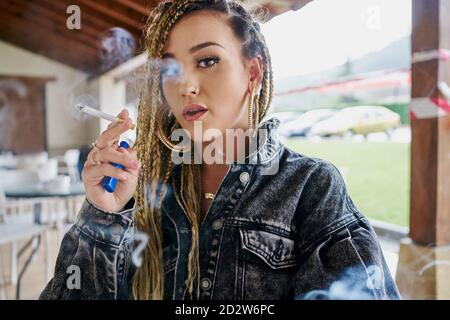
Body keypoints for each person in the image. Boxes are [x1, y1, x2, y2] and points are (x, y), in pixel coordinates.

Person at [40, 0, 400, 300]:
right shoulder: (137, 192)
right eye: (170, 70)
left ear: (253, 74)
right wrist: (102, 214)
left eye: (207, 61)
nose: (186, 86)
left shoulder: (310, 188)